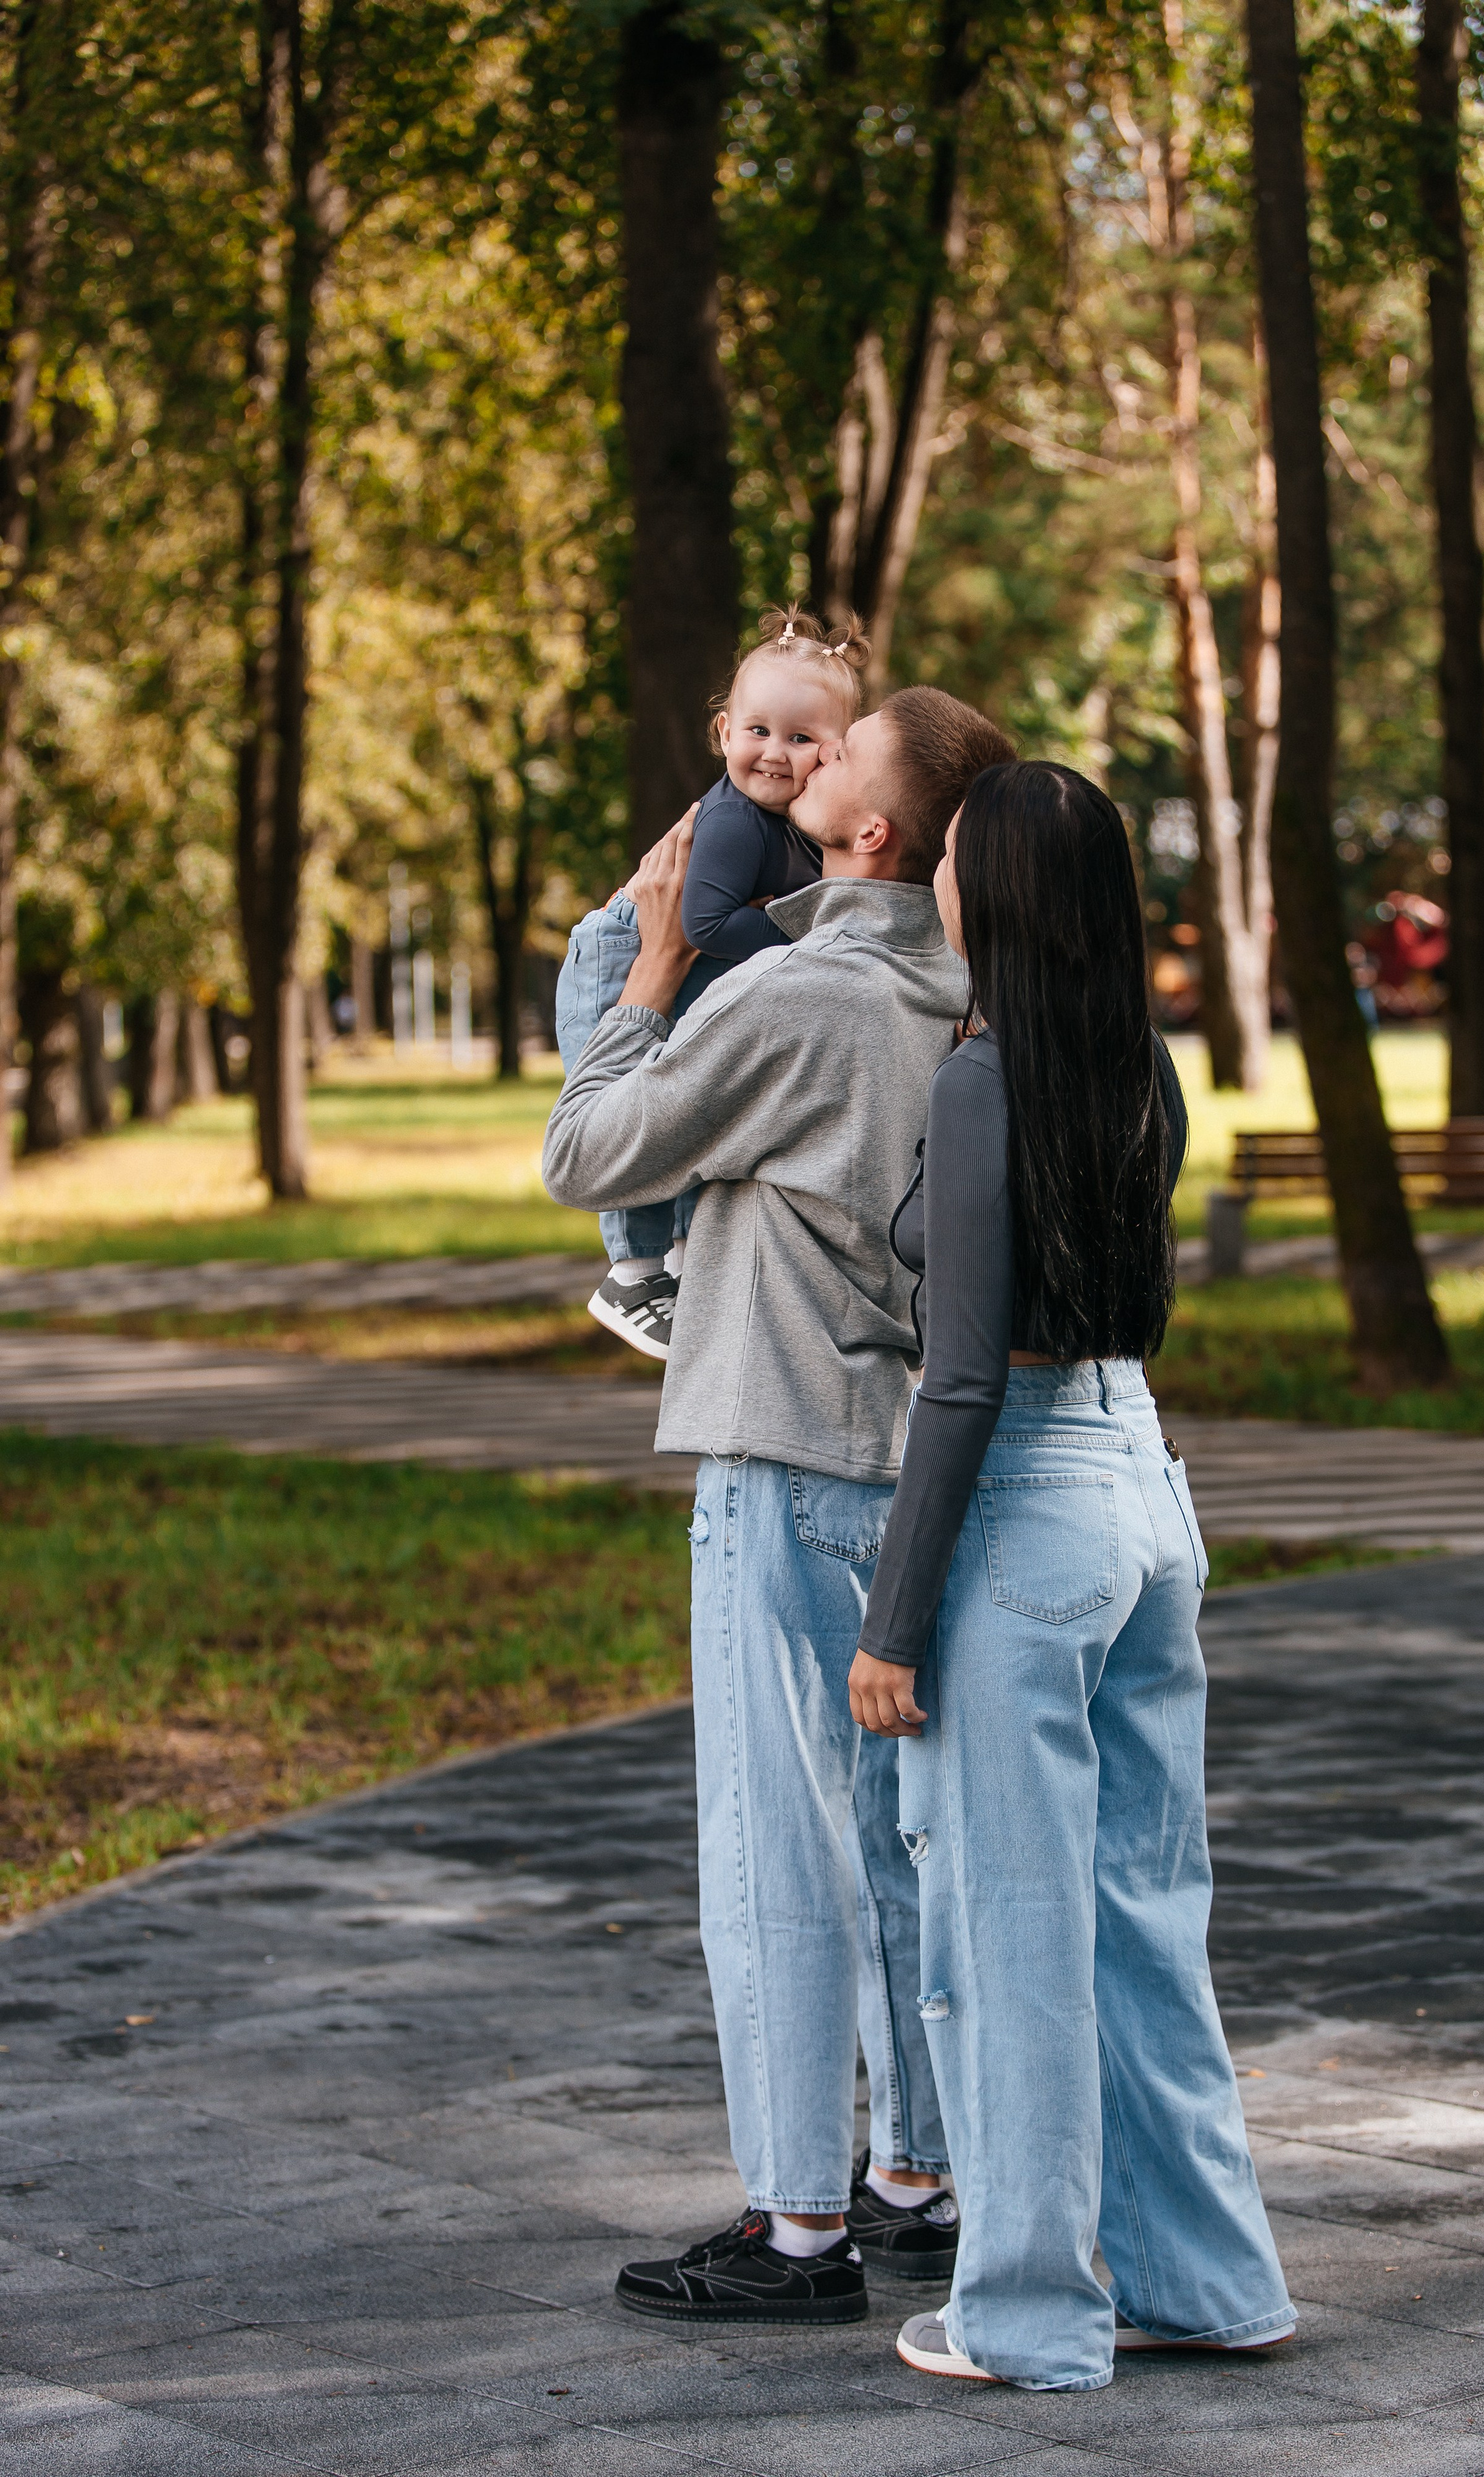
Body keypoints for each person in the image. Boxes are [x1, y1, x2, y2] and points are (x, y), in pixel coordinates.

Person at [542, 686, 1017, 2326]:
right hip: (920, 1456)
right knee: (901, 1837)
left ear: (873, 825)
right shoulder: (969, 982)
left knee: (770, 1843)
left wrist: (652, 973)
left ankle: (793, 2221)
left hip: (781, 1442)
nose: (807, 758)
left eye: (844, 748)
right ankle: (913, 2175)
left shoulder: (798, 994)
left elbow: (589, 1148)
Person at [847, 761, 1296, 2390]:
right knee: (1140, 1919)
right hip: (1144, 1489)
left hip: (1028, 1503)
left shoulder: (984, 1078)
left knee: (1011, 1935)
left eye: (954, 858)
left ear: (1002, 894)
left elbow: (962, 1377)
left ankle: (1025, 2314)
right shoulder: (1137, 1068)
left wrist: (892, 1623)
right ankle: (1210, 2280)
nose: (938, 877)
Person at [555, 606, 868, 1362]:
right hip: (620, 958)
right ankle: (631, 1272)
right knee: (632, 1110)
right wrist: (812, 931)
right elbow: (707, 927)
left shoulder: (793, 823)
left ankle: (689, 1255)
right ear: (724, 732)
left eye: (799, 739)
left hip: (692, 974)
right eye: (756, 731)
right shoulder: (733, 822)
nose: (772, 753)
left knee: (695, 1101)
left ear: (834, 753)